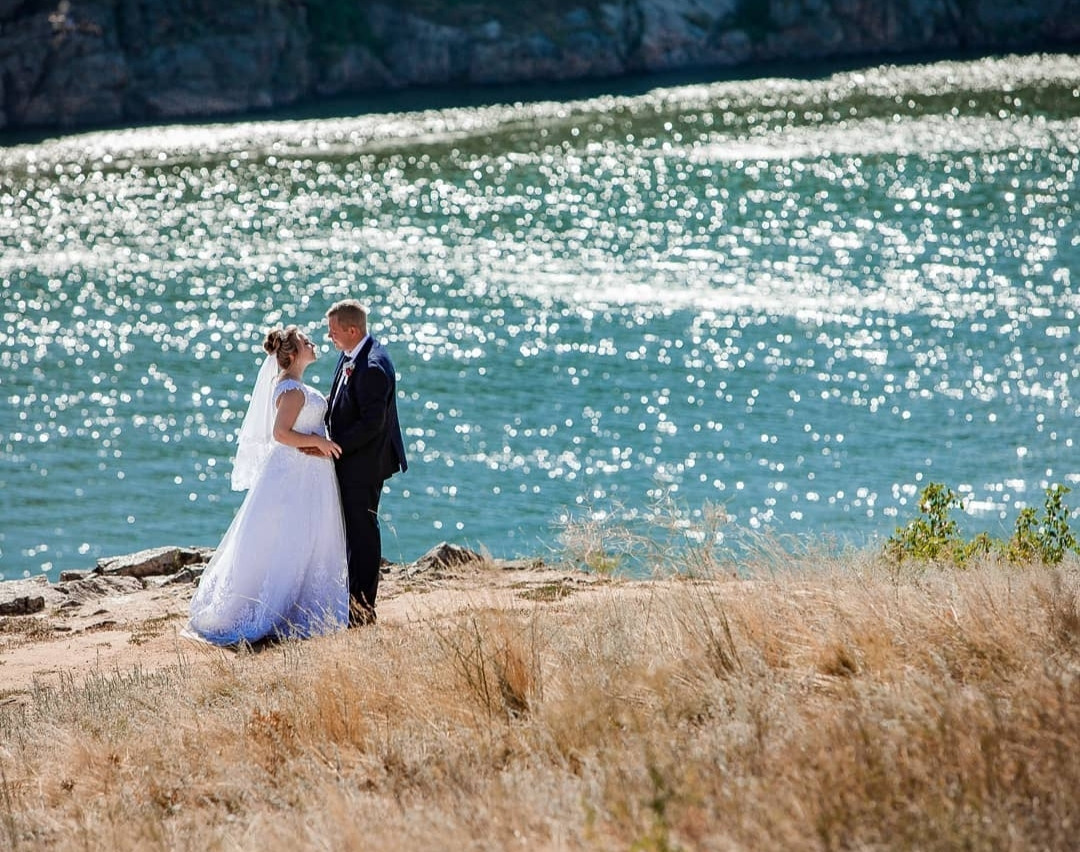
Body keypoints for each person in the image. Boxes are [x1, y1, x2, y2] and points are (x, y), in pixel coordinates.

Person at [185, 326, 349, 646]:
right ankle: (271, 607)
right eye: (305, 342)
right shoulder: (290, 389)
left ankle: (303, 602)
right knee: (287, 538)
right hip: (295, 475)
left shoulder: (296, 386)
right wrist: (317, 441)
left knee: (302, 537)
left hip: (308, 475)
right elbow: (282, 433)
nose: (312, 343)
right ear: (291, 354)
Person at [323, 299, 407, 626]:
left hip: (364, 465)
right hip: (353, 461)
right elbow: (340, 401)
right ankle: (351, 602)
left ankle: (362, 611)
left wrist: (333, 446)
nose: (329, 337)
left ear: (352, 330)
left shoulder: (372, 365)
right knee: (354, 533)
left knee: (363, 535)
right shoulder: (350, 354)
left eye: (333, 332)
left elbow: (373, 423)